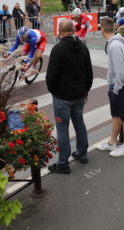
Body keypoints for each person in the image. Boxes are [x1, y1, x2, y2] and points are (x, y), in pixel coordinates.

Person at [46, 19, 93, 174]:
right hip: (79, 94)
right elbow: (89, 73)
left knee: (62, 129)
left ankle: (62, 163)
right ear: (73, 31)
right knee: (79, 122)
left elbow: (51, 76)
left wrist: (53, 91)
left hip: (63, 96)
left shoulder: (58, 49)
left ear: (60, 32)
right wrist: (86, 90)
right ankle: (82, 153)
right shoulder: (83, 47)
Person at [97, 17, 124, 157]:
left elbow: (120, 71)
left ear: (102, 30)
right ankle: (112, 143)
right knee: (116, 115)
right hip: (120, 85)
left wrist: (116, 89)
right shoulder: (117, 43)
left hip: (121, 86)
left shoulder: (114, 46)